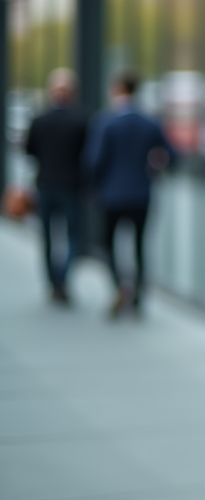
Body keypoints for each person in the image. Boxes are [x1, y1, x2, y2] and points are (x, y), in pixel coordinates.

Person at [85, 71, 176, 318]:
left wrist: (94, 185)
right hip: (140, 194)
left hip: (111, 195)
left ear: (117, 89)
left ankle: (119, 288)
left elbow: (94, 161)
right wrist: (155, 168)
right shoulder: (150, 122)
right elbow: (172, 155)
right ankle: (137, 299)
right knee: (139, 247)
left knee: (108, 244)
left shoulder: (106, 122)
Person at [24, 68, 90, 305]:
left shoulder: (40, 120)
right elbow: (89, 155)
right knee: (73, 236)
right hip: (71, 186)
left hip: (45, 185)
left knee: (47, 237)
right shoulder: (81, 120)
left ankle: (53, 282)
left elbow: (29, 150)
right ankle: (62, 279)